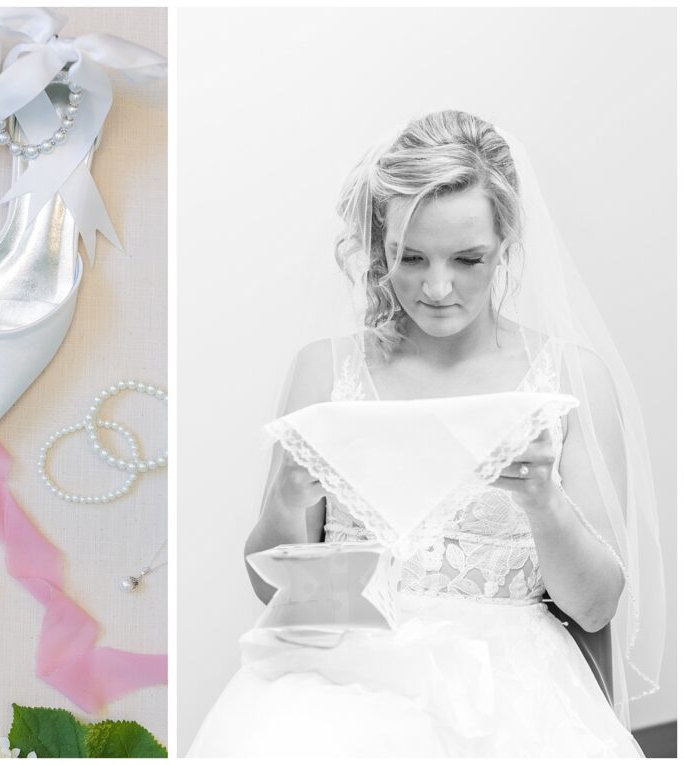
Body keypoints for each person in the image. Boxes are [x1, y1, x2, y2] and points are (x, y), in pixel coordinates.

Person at [187, 111, 663, 757]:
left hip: (511, 684)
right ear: (379, 246)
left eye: (468, 259)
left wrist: (543, 501)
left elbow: (597, 607)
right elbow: (274, 588)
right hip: (340, 678)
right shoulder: (326, 369)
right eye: (410, 258)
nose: (437, 288)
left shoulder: (573, 376)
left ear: (508, 241)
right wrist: (290, 500)